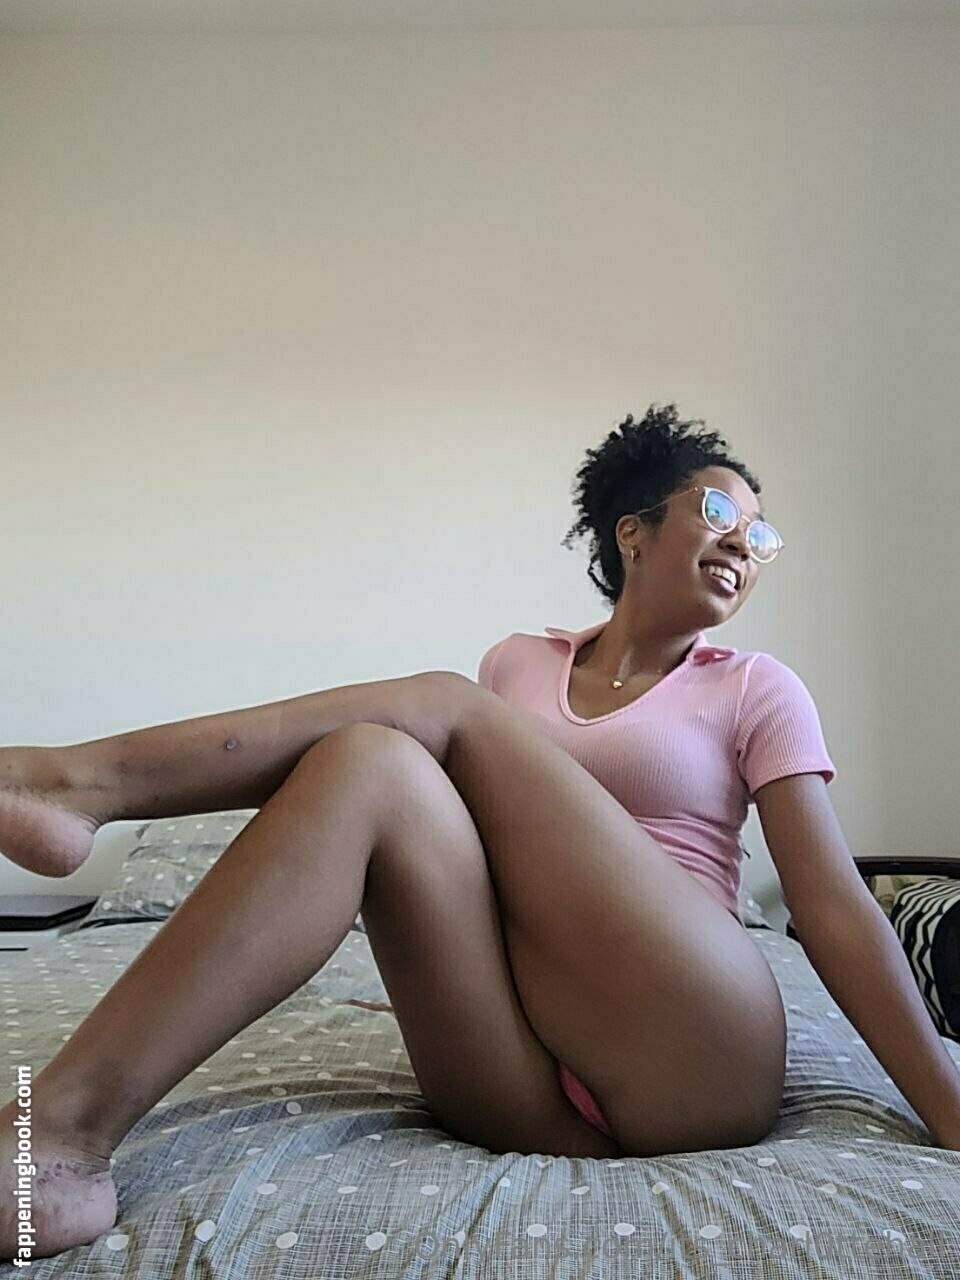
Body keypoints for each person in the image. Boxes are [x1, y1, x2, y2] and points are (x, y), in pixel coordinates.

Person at [0, 403, 825, 1260]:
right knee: (367, 760)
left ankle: (78, 784)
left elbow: (831, 909)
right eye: (720, 512)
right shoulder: (516, 666)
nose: (744, 543)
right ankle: (58, 1140)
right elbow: (467, 859)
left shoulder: (756, 689)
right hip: (526, 1084)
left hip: (695, 1045)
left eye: (761, 535)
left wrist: (922, 1096)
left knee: (441, 705)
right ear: (633, 532)